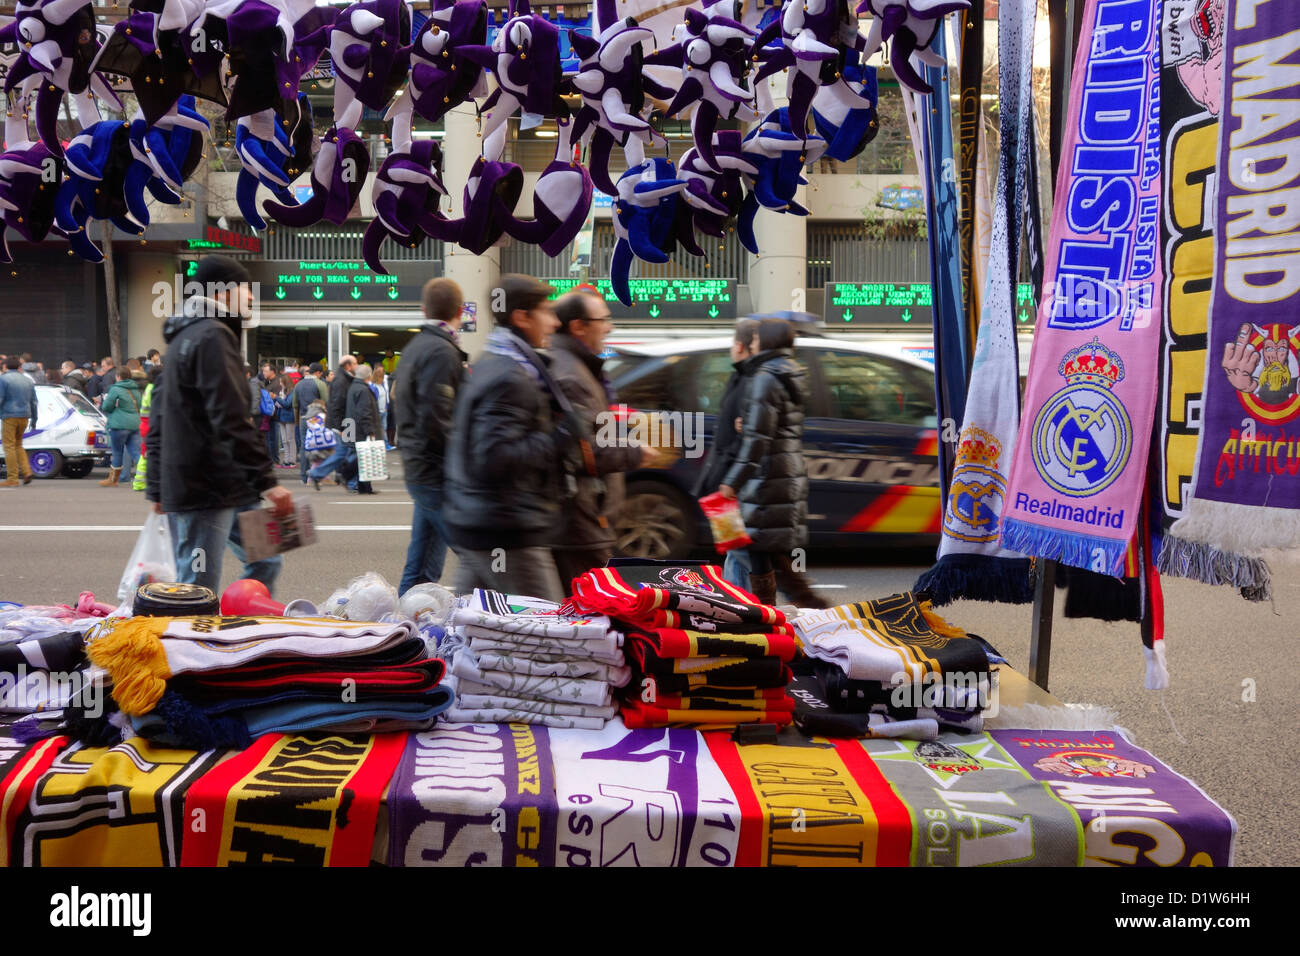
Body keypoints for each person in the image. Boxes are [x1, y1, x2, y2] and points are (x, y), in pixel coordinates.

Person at [145, 255, 292, 595]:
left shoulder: (188, 337)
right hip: (207, 486)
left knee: (267, 560)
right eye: (245, 287)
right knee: (197, 585)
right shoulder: (211, 336)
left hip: (230, 483)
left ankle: (237, 622)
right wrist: (268, 483)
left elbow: (159, 418)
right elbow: (230, 416)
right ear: (224, 292)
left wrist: (157, 486)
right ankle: (194, 638)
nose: (251, 296)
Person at [444, 274, 576, 603]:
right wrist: (559, 438)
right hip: (506, 531)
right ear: (521, 316)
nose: (554, 321)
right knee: (549, 633)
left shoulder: (496, 361)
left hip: (481, 523)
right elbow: (493, 458)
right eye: (547, 311)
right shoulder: (510, 376)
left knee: (470, 633)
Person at [548, 288, 656, 585]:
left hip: (582, 517)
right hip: (578, 522)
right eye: (603, 320)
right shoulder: (571, 375)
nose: (609, 327)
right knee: (592, 610)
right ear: (578, 326)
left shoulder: (579, 366)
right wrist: (636, 452)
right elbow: (584, 449)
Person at [718, 318, 825, 608]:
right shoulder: (790, 371)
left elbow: (758, 440)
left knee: (754, 550)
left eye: (756, 339)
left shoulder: (765, 376)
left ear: (765, 342)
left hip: (767, 479)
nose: (751, 343)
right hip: (783, 475)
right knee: (760, 552)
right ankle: (772, 611)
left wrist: (732, 482)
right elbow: (776, 426)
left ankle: (767, 616)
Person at [395, 277, 467, 595]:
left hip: (419, 466)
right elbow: (439, 420)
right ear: (461, 311)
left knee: (423, 564)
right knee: (477, 556)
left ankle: (405, 629)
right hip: (435, 470)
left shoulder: (416, 346)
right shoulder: (441, 351)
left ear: (424, 309)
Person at [693, 317, 760, 590]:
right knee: (735, 548)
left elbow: (748, 437)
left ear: (740, 346)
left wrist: (730, 480)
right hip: (732, 478)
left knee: (740, 550)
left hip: (739, 481)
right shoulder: (742, 376)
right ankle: (740, 602)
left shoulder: (749, 380)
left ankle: (743, 605)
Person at [307, 353, 356, 489]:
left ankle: (322, 474)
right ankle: (345, 477)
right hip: (343, 423)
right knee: (346, 452)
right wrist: (341, 427)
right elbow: (337, 405)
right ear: (348, 365)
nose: (356, 366)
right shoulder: (341, 381)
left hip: (343, 422)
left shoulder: (343, 379)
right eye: (355, 364)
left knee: (346, 452)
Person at [99, 366, 143, 486]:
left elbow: (106, 406)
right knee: (135, 452)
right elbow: (139, 406)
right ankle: (150, 474)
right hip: (135, 424)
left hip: (119, 425)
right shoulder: (136, 390)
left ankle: (113, 480)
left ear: (118, 377)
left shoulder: (115, 389)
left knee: (117, 451)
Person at [0, 355, 38, 486]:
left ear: (5, 366)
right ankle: (27, 472)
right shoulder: (27, 380)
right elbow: (34, 402)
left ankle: (12, 478)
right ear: (19, 367)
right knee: (18, 445)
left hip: (9, 415)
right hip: (25, 416)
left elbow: (1, 399)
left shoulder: (3, 379)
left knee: (9, 446)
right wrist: (34, 420)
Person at [346, 363, 382, 495]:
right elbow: (364, 412)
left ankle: (363, 487)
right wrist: (370, 431)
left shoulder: (354, 387)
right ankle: (356, 483)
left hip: (353, 427)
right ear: (368, 375)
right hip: (361, 430)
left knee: (361, 458)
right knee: (364, 459)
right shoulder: (363, 390)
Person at [292, 362, 326, 485]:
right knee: (319, 447)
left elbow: (295, 405)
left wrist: (297, 421)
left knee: (304, 447)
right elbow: (326, 402)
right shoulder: (320, 384)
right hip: (317, 418)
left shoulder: (298, 385)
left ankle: (304, 477)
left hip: (303, 418)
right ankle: (317, 475)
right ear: (318, 373)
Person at [132, 364, 161, 491]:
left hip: (146, 424)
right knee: (148, 454)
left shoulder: (149, 388)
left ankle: (139, 482)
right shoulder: (154, 389)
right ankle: (140, 483)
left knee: (145, 453)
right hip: (151, 424)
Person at [371, 364, 393, 452]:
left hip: (384, 411)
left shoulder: (383, 385)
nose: (382, 374)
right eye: (379, 372)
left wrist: (386, 407)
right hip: (377, 412)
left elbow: (385, 397)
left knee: (384, 428)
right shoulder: (373, 386)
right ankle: (377, 446)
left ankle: (385, 445)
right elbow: (373, 401)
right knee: (376, 430)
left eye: (382, 371)